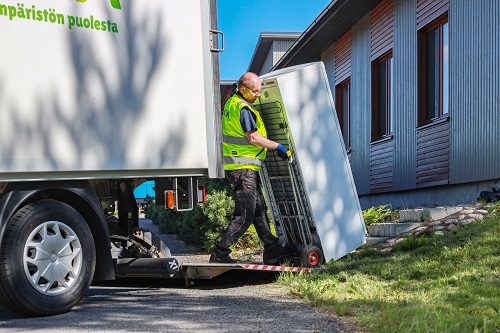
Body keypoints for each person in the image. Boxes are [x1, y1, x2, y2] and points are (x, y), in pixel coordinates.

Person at [209, 72, 294, 264]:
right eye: (255, 91)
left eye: (259, 90)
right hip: (243, 168)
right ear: (244, 89)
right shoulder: (244, 108)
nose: (258, 94)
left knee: (258, 209)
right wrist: (278, 146)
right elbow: (253, 138)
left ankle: (272, 248)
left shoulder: (233, 102)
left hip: (241, 168)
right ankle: (220, 253)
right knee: (245, 215)